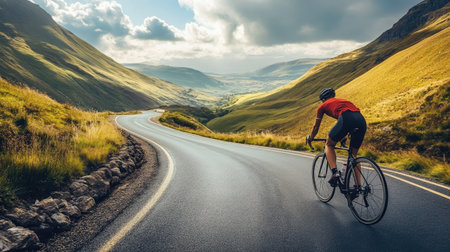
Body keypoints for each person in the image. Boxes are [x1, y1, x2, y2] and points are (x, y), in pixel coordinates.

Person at [307, 88, 367, 187]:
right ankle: (359, 186)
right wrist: (342, 136)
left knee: (329, 144)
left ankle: (335, 173)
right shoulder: (343, 101)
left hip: (346, 118)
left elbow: (316, 127)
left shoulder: (322, 106)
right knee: (353, 156)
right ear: (332, 96)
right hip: (361, 120)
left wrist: (311, 137)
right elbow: (347, 121)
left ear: (322, 99)